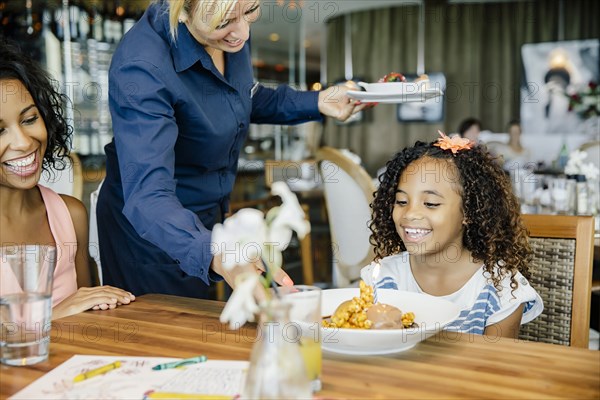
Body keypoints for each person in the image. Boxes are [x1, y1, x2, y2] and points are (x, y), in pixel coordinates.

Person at [98, 0, 367, 298]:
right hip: (155, 234)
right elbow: (149, 196)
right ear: (183, 10)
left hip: (208, 222)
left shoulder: (232, 36)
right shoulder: (142, 67)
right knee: (175, 338)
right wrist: (217, 253)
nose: (242, 32)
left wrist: (318, 101)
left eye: (250, 11)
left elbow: (242, 97)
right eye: (224, 22)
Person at [0, 40, 135, 319]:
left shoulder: (70, 216)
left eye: (29, 119)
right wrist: (52, 314)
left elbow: (90, 317)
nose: (24, 142)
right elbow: (66, 311)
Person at [362, 132, 543, 338]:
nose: (410, 214)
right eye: (402, 201)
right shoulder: (382, 279)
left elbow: (495, 367)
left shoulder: (501, 290)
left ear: (468, 212)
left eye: (430, 204)